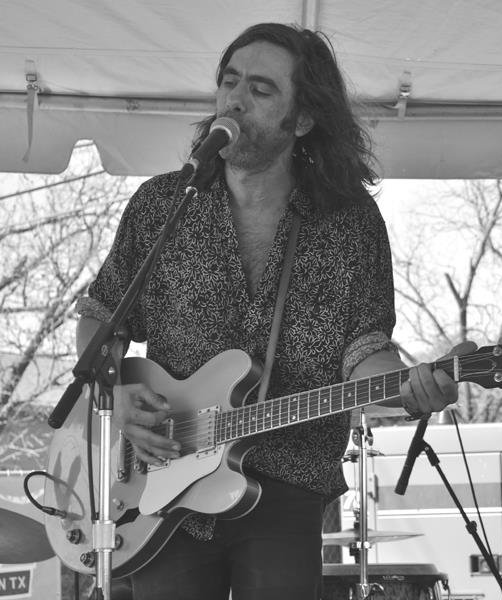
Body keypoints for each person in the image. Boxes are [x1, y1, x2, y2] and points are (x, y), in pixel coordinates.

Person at [75, 22, 468, 600]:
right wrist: (114, 391)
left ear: (302, 119)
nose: (234, 99)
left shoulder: (349, 223)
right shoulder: (162, 204)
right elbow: (101, 314)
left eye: (260, 90)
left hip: (288, 482)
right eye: (229, 81)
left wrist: (412, 388)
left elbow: (365, 349)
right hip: (161, 484)